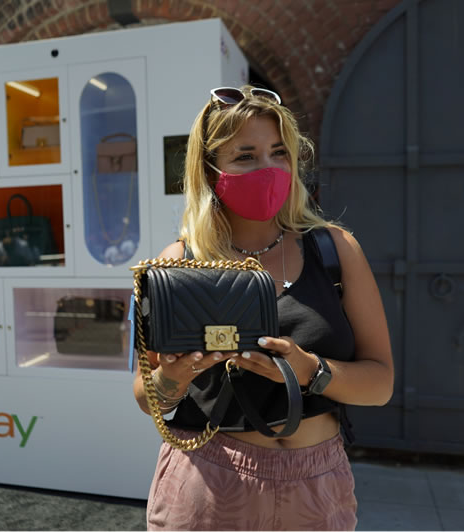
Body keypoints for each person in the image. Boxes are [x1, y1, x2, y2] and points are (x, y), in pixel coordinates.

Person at [132, 85, 394, 531]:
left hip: (317, 485)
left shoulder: (334, 250)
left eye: (278, 153)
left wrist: (310, 369)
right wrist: (174, 377)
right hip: (208, 481)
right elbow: (146, 395)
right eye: (246, 156)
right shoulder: (177, 264)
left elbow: (381, 383)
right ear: (211, 170)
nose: (268, 168)